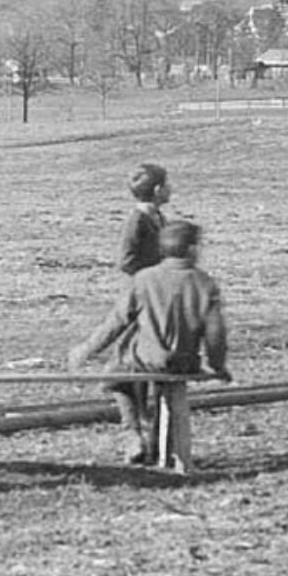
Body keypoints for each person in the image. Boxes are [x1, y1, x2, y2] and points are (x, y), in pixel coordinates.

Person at [74, 214, 231, 474]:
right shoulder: (204, 283)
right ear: (192, 250)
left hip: (149, 359)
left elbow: (117, 321)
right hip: (185, 362)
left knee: (116, 373)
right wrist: (217, 365)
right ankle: (159, 444)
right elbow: (216, 333)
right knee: (160, 386)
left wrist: (88, 349)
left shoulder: (145, 279)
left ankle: (133, 432)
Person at [105, 163, 172, 457]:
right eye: (167, 184)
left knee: (154, 368)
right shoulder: (138, 221)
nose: (170, 189)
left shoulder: (158, 218)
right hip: (140, 303)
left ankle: (155, 439)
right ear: (157, 190)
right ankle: (133, 434)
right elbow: (126, 260)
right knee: (121, 371)